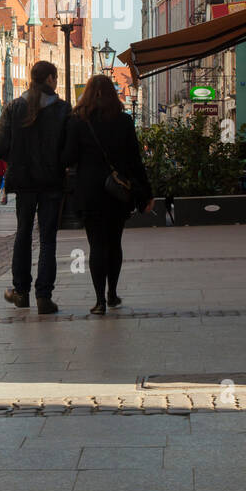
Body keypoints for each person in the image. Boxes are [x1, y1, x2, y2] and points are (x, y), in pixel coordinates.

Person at [63, 73, 153, 314]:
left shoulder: (77, 120)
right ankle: (112, 293)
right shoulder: (123, 121)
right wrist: (146, 193)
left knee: (97, 245)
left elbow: (69, 158)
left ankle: (99, 300)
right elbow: (135, 159)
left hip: (90, 190)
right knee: (114, 243)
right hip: (118, 191)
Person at [0, 60, 70, 315]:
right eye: (55, 78)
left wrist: (17, 157)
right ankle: (44, 296)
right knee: (48, 238)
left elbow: (0, 145)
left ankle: (21, 292)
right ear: (49, 79)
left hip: (24, 181)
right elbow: (69, 148)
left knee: (23, 233)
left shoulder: (14, 107)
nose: (56, 82)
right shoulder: (62, 109)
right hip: (52, 181)